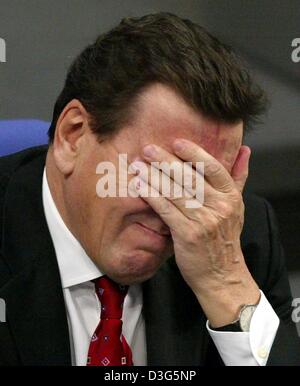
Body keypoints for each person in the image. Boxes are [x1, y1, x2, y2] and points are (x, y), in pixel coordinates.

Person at [0, 12, 299, 366]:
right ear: (73, 135)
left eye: (203, 182)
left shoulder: (237, 242)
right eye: (163, 174)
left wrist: (224, 283)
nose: (183, 211)